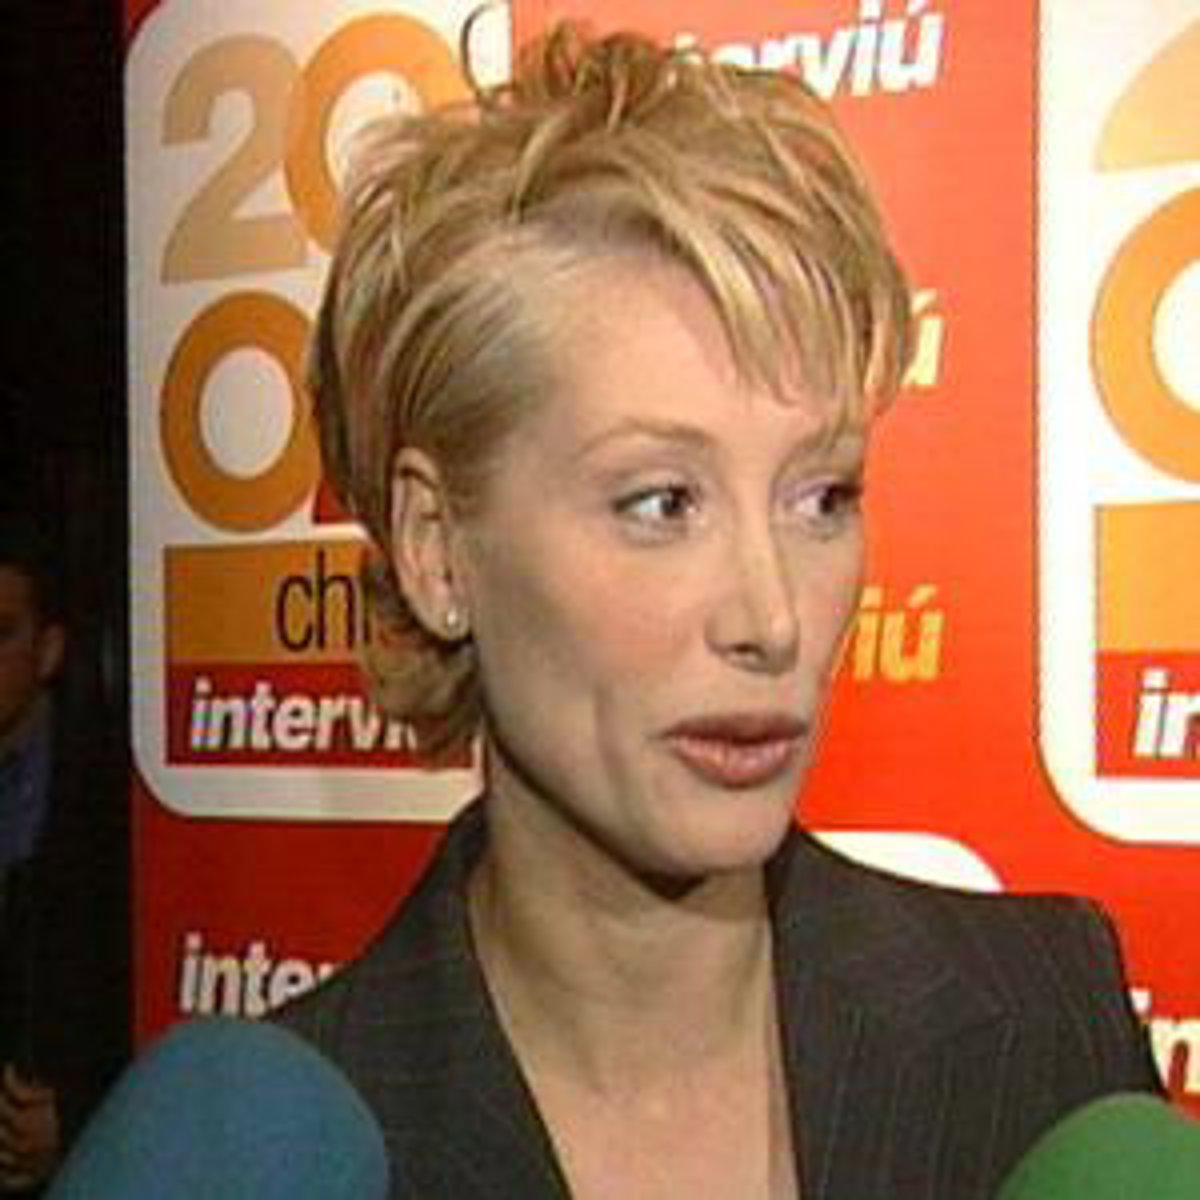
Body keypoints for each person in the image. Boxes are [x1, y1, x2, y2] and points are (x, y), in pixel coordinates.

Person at [278, 25, 1162, 1199]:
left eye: (821, 496)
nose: (772, 617)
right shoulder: (295, 1153)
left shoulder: (1046, 1019)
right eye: (663, 502)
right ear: (438, 550)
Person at [0, 516, 127, 1195]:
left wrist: (80, 1119)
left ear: (48, 651)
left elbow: (134, 990)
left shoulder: (110, 803)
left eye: (1, 633)